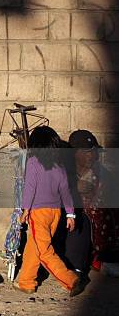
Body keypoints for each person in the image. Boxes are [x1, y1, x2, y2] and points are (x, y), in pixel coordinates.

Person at [15, 126, 85, 296]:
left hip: (38, 213)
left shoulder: (33, 162)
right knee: (34, 248)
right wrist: (70, 214)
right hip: (55, 213)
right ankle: (26, 282)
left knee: (44, 251)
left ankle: (71, 280)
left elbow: (30, 188)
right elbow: (66, 192)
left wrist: (25, 210)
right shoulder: (59, 166)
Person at [65, 130, 119, 278]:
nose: (92, 155)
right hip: (74, 222)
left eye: (94, 151)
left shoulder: (100, 172)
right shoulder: (65, 172)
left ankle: (104, 258)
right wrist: (75, 187)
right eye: (87, 151)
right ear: (75, 153)